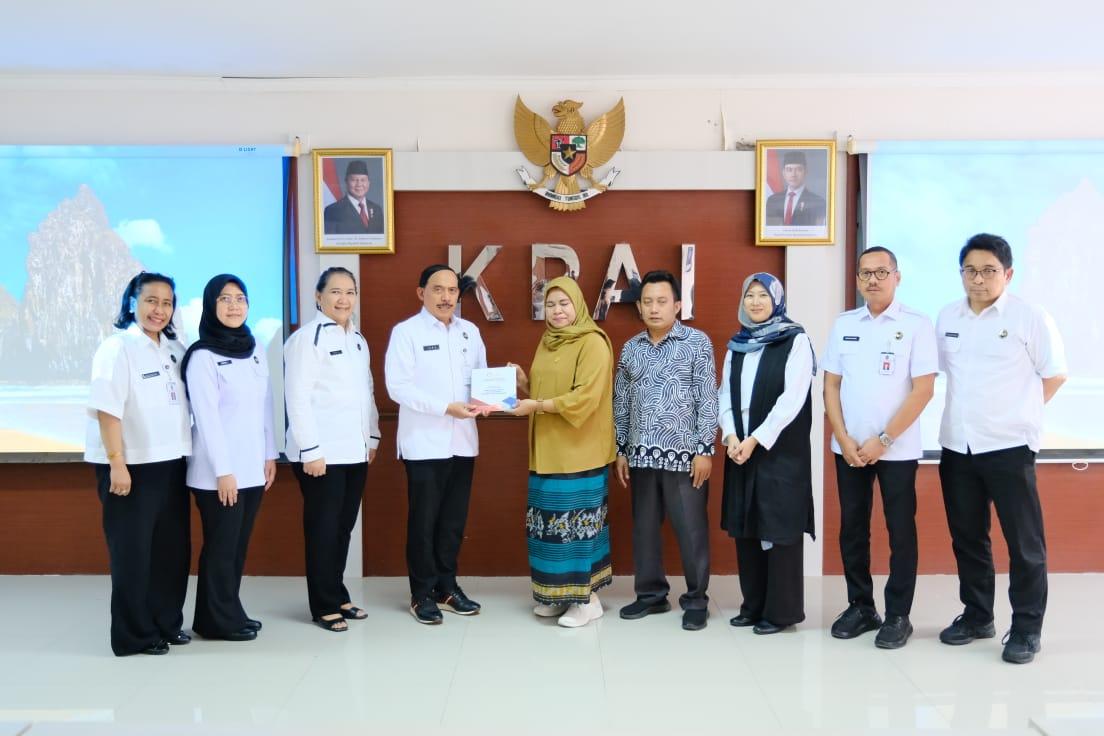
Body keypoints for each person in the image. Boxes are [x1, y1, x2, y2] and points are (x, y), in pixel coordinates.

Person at [936, 233, 1067, 664]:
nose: (978, 279)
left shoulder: (1030, 317)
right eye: (970, 270)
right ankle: (978, 616)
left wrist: (1020, 414)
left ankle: (1027, 629)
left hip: (1010, 446)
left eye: (989, 270)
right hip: (957, 446)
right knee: (968, 537)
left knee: (1024, 543)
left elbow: (1054, 374)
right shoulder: (947, 316)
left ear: (1007, 274)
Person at [823, 247, 937, 649]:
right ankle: (861, 606)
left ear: (897, 277)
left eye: (881, 272)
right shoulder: (844, 324)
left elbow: (923, 390)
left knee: (900, 530)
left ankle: (898, 614)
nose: (873, 279)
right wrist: (842, 437)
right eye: (865, 273)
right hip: (849, 449)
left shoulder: (916, 324)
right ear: (857, 279)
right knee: (852, 528)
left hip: (896, 451)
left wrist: (884, 439)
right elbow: (830, 385)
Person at [85, 272, 192, 656]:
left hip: (171, 462)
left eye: (166, 303)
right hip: (130, 466)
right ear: (132, 303)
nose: (158, 310)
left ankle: (166, 623)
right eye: (151, 301)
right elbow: (107, 411)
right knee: (133, 554)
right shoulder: (117, 348)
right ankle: (134, 635)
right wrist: (117, 463)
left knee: (171, 551)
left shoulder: (174, 348)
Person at [613, 270, 718, 631]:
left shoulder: (697, 343)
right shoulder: (631, 348)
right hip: (641, 455)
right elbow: (621, 402)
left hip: (685, 457)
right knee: (644, 529)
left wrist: (705, 449)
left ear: (677, 305)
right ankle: (651, 595)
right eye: (647, 302)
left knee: (691, 530)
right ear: (639, 307)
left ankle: (697, 600)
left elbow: (708, 398)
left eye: (661, 301)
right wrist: (621, 448)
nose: (654, 308)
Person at [509, 276, 616, 628]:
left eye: (564, 303)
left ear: (578, 305)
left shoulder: (593, 342)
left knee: (576, 529)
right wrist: (524, 383)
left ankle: (587, 601)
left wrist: (535, 405)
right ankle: (558, 596)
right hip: (547, 449)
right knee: (548, 528)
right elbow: (548, 391)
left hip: (580, 450)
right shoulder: (548, 341)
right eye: (550, 305)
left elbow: (584, 398)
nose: (557, 311)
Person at [384, 265, 486, 625]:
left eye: (452, 290)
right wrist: (445, 407)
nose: (446, 297)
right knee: (424, 523)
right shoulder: (406, 332)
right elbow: (398, 387)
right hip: (424, 444)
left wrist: (495, 395)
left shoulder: (470, 332)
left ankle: (446, 587)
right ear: (421, 293)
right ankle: (422, 593)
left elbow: (481, 380)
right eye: (438, 289)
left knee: (453, 522)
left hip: (463, 442)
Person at [181, 274, 277, 643]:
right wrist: (224, 471)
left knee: (237, 547)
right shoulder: (202, 356)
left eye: (240, 298)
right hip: (217, 473)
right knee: (221, 547)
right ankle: (216, 621)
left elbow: (265, 404)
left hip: (252, 467)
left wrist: (270, 454)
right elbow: (206, 419)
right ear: (211, 305)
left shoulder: (254, 349)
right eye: (224, 299)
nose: (234, 305)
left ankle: (227, 612)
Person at [284, 266, 381, 632]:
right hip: (321, 455)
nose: (344, 299)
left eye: (350, 292)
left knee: (342, 529)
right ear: (318, 296)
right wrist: (310, 450)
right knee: (323, 530)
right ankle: (323, 604)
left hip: (354, 451)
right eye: (336, 292)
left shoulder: (358, 339)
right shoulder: (306, 340)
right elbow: (297, 397)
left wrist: (372, 437)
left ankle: (337, 594)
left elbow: (367, 391)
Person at [719, 272, 815, 635]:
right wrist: (730, 435)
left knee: (778, 527)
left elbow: (793, 398)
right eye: (750, 296)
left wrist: (756, 439)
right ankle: (753, 605)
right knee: (747, 527)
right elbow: (724, 394)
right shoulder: (737, 344)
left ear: (777, 300)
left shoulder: (795, 340)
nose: (756, 302)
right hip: (739, 448)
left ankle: (780, 612)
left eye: (763, 295)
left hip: (778, 450)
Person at [765, 151, 826, 227]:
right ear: (783, 173)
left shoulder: (817, 202)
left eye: (798, 169)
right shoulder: (772, 200)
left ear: (806, 172)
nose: (793, 174)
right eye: (789, 170)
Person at [323, 160, 384, 235]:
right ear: (346, 182)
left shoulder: (377, 210)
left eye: (363, 180)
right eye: (354, 180)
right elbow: (329, 240)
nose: (359, 184)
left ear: (368, 183)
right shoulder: (332, 211)